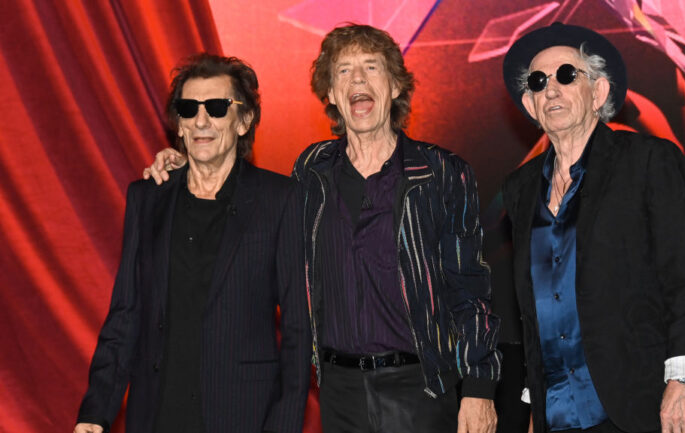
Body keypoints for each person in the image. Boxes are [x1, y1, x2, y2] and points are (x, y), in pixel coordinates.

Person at [145, 24, 501, 433]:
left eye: (371, 67)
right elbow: (249, 207)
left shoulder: (441, 174)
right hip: (338, 394)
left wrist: (480, 388)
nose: (358, 80)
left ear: (396, 86)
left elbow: (470, 288)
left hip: (420, 389)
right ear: (331, 94)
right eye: (344, 71)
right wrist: (189, 167)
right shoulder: (310, 171)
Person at [498, 22, 685, 433]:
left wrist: (683, 381)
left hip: (638, 404)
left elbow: (684, 277)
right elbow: (534, 307)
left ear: (598, 93)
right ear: (530, 105)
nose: (551, 90)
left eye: (566, 75)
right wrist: (535, 402)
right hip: (557, 410)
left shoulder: (647, 161)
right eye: (539, 82)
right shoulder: (520, 188)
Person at [74, 54, 310, 433]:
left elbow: (298, 330)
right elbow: (125, 315)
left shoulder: (279, 200)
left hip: (243, 416)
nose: (201, 121)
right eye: (188, 109)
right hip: (156, 414)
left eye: (217, 108)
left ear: (244, 120)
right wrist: (95, 411)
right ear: (178, 125)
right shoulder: (146, 199)